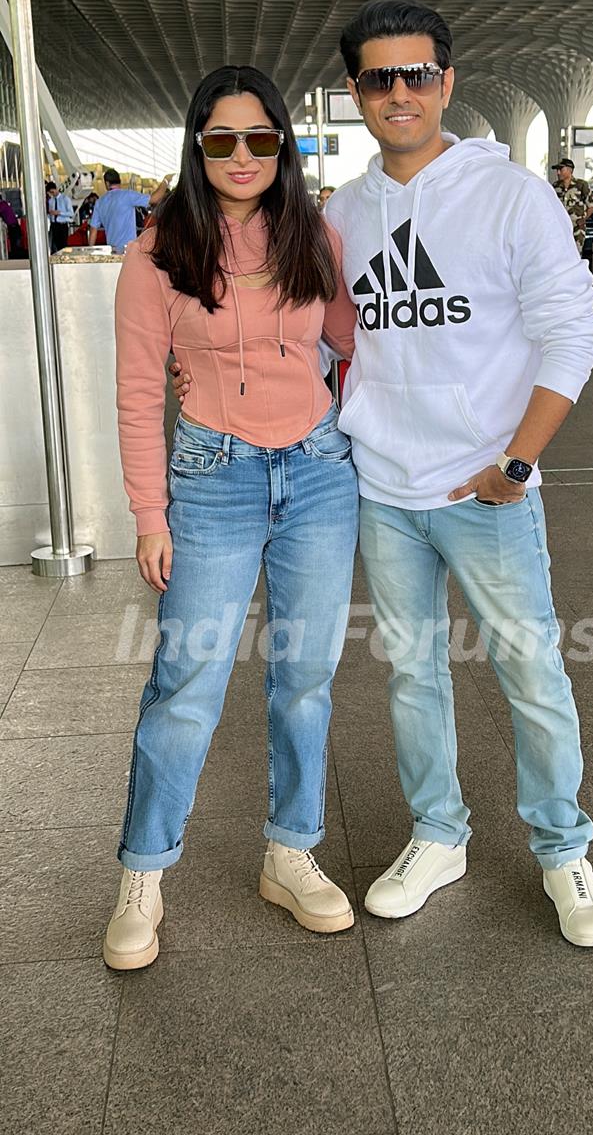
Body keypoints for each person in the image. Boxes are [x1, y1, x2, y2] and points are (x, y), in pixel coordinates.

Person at [172, 0, 593, 949]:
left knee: (533, 669)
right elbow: (328, 333)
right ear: (356, 94)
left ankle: (561, 848)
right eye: (380, 78)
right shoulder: (344, 212)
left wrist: (516, 459)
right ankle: (438, 833)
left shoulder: (511, 197)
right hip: (380, 484)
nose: (400, 93)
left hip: (486, 487)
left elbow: (571, 333)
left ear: (447, 83)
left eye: (418, 74)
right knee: (414, 673)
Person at [105, 65, 359, 972]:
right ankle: (144, 871)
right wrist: (149, 513)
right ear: (197, 146)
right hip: (211, 475)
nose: (242, 156)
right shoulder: (156, 252)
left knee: (305, 676)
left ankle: (291, 851)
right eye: (222, 140)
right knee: (187, 684)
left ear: (283, 143)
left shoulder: (312, 234)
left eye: (260, 138)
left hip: (320, 473)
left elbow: (350, 339)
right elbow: (139, 394)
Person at [89, 168, 170, 254]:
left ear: (107, 183)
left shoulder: (100, 202)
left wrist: (89, 253)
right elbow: (155, 198)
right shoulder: (128, 195)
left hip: (113, 251)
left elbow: (93, 231)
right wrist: (166, 180)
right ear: (119, 181)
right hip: (130, 250)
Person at [551, 159, 593, 252]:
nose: (558, 173)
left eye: (561, 169)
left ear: (569, 170)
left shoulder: (581, 185)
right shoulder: (555, 187)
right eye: (557, 170)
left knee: (576, 254)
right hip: (560, 229)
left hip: (577, 228)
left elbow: (591, 206)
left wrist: (583, 219)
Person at [46, 182, 74, 253]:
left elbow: (71, 213)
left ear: (56, 189)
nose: (52, 194)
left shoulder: (65, 199)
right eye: (50, 193)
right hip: (54, 225)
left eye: (52, 192)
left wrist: (60, 213)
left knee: (63, 245)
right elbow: (50, 213)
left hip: (62, 225)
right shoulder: (51, 201)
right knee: (56, 245)